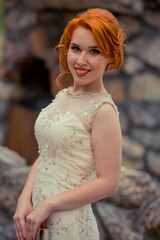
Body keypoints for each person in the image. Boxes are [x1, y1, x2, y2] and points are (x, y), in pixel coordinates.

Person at [13, 8, 125, 240]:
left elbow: (109, 183)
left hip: (69, 224)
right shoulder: (64, 96)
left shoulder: (103, 111)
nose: (81, 60)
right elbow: (47, 155)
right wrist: (25, 199)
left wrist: (50, 204)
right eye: (76, 49)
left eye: (94, 51)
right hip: (37, 216)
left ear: (111, 56)